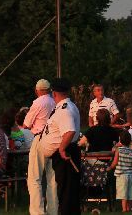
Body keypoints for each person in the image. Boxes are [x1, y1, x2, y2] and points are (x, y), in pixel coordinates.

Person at [42, 78, 82, 215]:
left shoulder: (65, 109)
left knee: (66, 190)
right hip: (65, 152)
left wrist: (61, 148)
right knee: (65, 189)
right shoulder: (66, 106)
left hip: (66, 153)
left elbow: (70, 131)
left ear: (54, 93)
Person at [24, 78, 58, 215]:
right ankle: (53, 210)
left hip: (40, 137)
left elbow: (26, 123)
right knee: (52, 178)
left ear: (37, 90)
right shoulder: (55, 102)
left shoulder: (38, 102)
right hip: (54, 139)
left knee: (35, 177)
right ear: (49, 89)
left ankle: (37, 212)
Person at [109, 128, 132, 212]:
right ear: (130, 141)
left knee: (124, 195)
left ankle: (124, 209)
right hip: (131, 175)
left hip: (121, 175)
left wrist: (110, 167)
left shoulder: (119, 150)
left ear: (120, 141)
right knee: (130, 194)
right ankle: (130, 208)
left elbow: (115, 162)